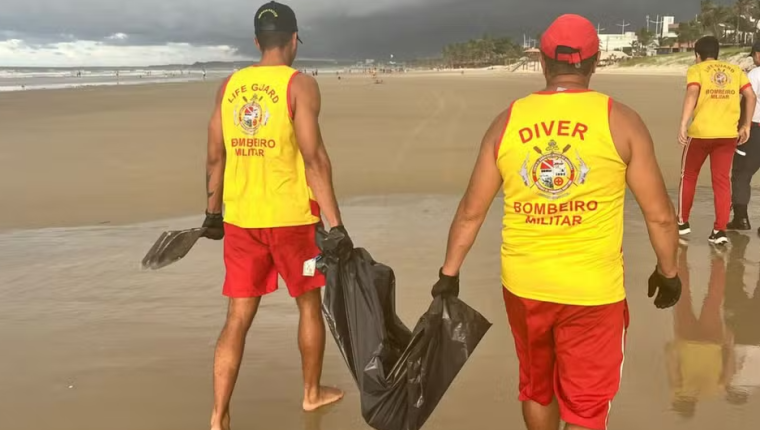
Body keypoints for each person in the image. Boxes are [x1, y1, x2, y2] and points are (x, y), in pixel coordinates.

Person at [431, 14, 681, 430]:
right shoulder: (621, 121)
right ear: (595, 62)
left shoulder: (507, 121)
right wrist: (668, 272)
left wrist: (449, 273)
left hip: (524, 286)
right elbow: (660, 216)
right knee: (586, 406)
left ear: (543, 62)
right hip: (592, 292)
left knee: (537, 388)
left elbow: (471, 211)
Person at [202, 2, 349, 429]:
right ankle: (311, 393)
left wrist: (212, 212)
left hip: (241, 220)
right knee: (308, 305)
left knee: (237, 317)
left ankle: (218, 416)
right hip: (293, 221)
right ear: (294, 39)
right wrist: (336, 225)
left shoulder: (229, 86)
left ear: (256, 41)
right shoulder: (299, 85)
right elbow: (314, 158)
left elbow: (215, 155)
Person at [677, 36, 756, 245]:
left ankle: (683, 222)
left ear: (697, 55)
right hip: (727, 135)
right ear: (717, 53)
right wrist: (746, 125)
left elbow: (692, 91)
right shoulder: (735, 70)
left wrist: (683, 123)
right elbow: (751, 96)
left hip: (700, 133)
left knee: (688, 176)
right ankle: (719, 230)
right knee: (721, 181)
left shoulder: (697, 69)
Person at [666, 244, 727, 419]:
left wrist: (728, 346)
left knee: (713, 300)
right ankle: (681, 254)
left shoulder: (713, 391)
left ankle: (718, 260)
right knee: (683, 298)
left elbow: (727, 372)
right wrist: (670, 349)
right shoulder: (679, 390)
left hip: (713, 343)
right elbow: (672, 365)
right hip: (687, 341)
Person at [728, 42, 760, 232]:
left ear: (758, 54)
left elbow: (748, 98)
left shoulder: (755, 74)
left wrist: (742, 125)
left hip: (755, 129)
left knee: (741, 174)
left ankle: (741, 218)